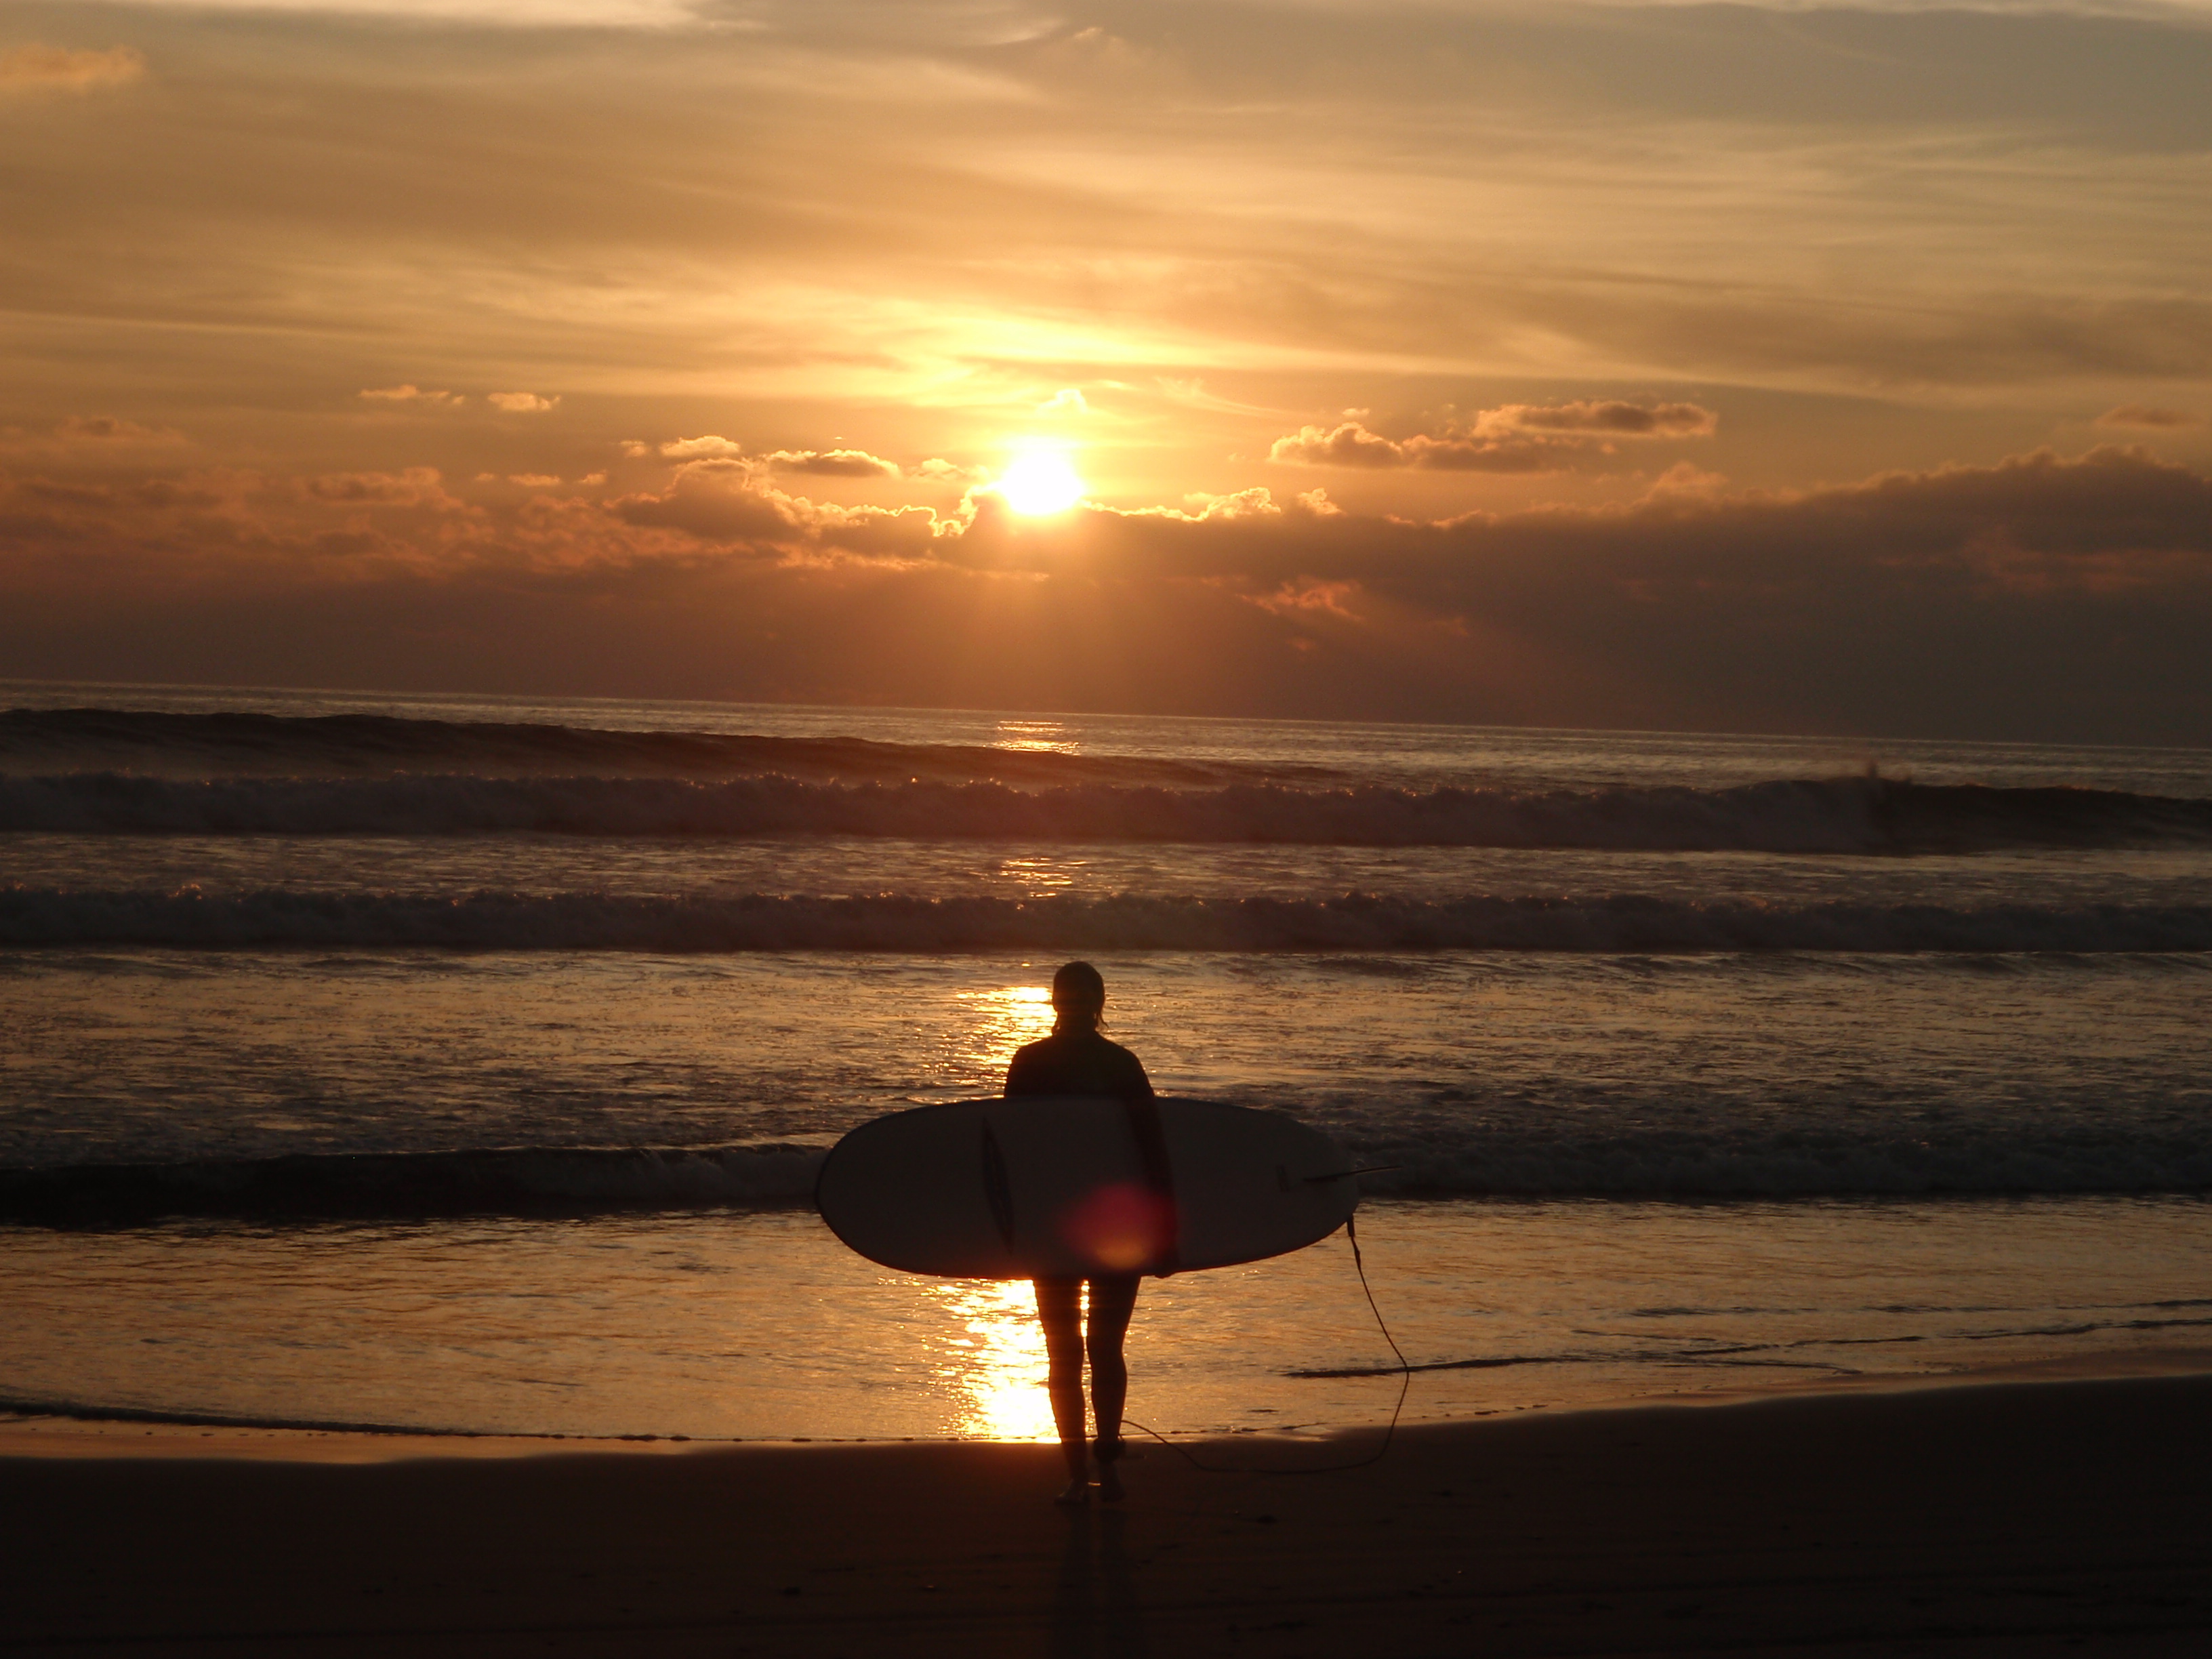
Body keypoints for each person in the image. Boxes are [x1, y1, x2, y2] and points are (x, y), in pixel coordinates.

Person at [1004, 960, 1171, 1505]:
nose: (1073, 1007)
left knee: (1087, 1350)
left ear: (1092, 1003)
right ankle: (1090, 1472)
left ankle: (1095, 1469)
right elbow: (1014, 1150)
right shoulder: (1056, 1063)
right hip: (1083, 1228)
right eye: (1068, 998)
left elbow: (1152, 1149)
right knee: (1081, 1350)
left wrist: (1165, 1230)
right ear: (1057, 1002)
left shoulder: (1085, 1064)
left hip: (1088, 1228)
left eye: (1080, 998)